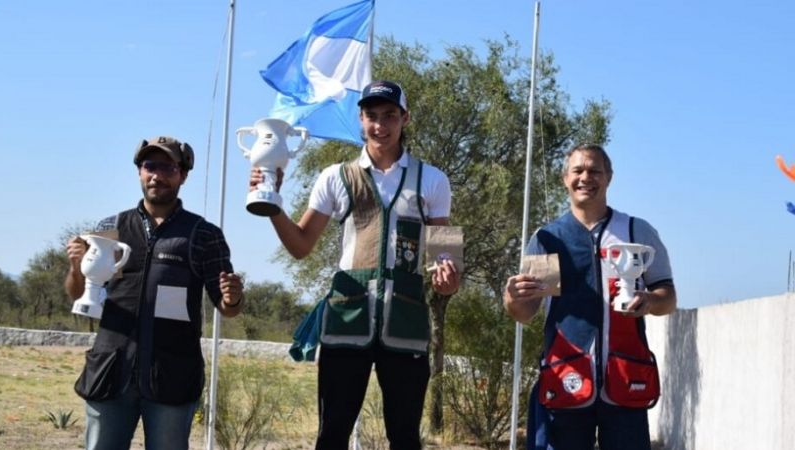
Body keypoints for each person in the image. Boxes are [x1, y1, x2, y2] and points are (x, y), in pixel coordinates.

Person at [250, 80, 460, 449]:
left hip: (405, 322)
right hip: (347, 319)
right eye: (372, 116)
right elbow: (301, 245)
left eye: (389, 115)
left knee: (406, 438)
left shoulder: (433, 179)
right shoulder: (335, 176)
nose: (380, 125)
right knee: (332, 434)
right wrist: (272, 203)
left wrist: (447, 278)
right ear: (360, 119)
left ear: (405, 118)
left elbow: (446, 261)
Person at [64, 136, 245, 450]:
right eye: (150, 166)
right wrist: (76, 267)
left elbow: (227, 307)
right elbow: (78, 293)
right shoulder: (111, 227)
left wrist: (234, 297)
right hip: (111, 371)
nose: (156, 175)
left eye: (167, 168)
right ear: (139, 171)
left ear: (183, 175)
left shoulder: (204, 234)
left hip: (172, 376)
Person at [503, 144, 676, 450]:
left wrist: (650, 301)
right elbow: (525, 313)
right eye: (578, 170)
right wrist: (512, 298)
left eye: (595, 170)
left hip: (626, 379)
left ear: (609, 177)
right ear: (565, 178)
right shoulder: (548, 238)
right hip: (566, 377)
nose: (586, 177)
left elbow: (668, 298)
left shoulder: (636, 231)